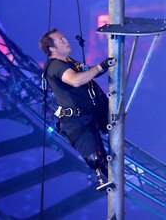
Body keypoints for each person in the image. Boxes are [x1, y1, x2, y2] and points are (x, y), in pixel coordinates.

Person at [39, 28, 114, 191]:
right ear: (52, 48)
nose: (66, 41)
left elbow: (87, 74)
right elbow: (75, 80)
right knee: (99, 161)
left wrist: (104, 66)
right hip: (77, 123)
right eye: (61, 40)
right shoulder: (55, 65)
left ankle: (112, 182)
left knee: (106, 162)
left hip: (89, 117)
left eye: (65, 38)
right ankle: (105, 182)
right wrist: (100, 67)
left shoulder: (69, 62)